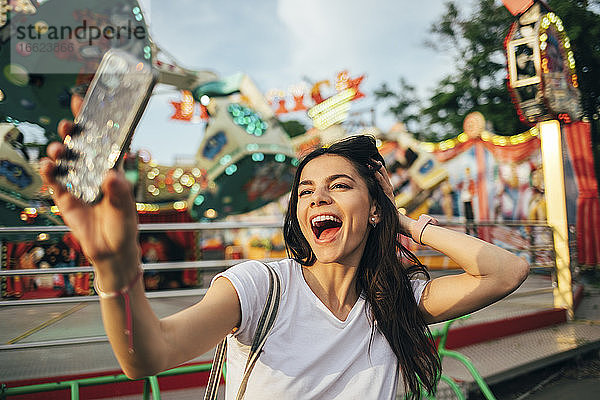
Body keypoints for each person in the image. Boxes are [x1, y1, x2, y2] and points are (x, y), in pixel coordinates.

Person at [40, 98, 529, 399]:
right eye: (307, 189)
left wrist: (405, 223)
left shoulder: (397, 297)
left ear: (374, 207)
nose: (318, 196)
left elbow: (506, 273)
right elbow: (147, 356)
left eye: (339, 185)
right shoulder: (260, 287)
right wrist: (116, 271)